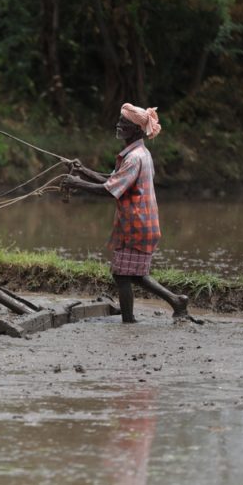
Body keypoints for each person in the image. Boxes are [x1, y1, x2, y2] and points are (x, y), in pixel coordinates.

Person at [60, 103, 189, 323]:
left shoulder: (134, 158)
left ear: (137, 130)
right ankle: (176, 301)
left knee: (122, 275)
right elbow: (113, 180)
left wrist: (77, 183)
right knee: (133, 275)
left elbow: (111, 190)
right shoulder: (137, 154)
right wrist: (83, 171)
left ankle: (129, 321)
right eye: (120, 121)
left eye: (124, 123)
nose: (118, 125)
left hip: (136, 225)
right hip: (138, 223)